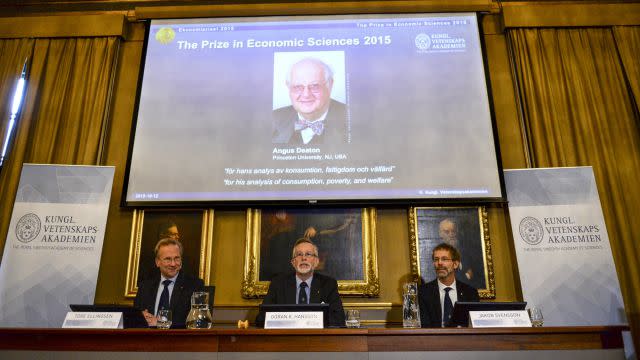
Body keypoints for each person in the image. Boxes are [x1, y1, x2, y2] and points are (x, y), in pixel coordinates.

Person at [255, 238, 346, 327]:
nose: (303, 258)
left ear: (316, 261)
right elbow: (261, 319)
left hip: (318, 339)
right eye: (299, 254)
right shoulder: (278, 283)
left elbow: (339, 319)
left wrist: (309, 321)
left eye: (308, 254)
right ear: (293, 262)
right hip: (285, 339)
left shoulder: (328, 284)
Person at [272, 57, 348, 145]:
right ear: (288, 87)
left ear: (330, 85)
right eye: (298, 87)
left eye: (314, 86)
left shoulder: (352, 119)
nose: (306, 95)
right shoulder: (273, 119)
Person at [134, 238, 204, 328]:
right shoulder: (145, 287)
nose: (173, 264)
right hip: (148, 339)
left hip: (180, 340)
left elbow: (198, 322)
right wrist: (140, 317)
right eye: (168, 259)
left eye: (177, 258)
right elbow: (135, 318)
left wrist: (161, 323)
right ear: (157, 262)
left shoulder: (194, 285)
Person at [418, 243, 479, 328]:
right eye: (436, 259)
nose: (439, 263)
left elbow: (475, 325)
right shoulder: (423, 292)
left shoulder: (470, 293)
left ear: (455, 264)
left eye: (444, 259)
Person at [438, 218, 485, 290]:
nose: (451, 235)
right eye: (447, 232)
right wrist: (467, 276)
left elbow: (477, 274)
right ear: (440, 234)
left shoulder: (468, 252)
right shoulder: (437, 255)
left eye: (453, 231)